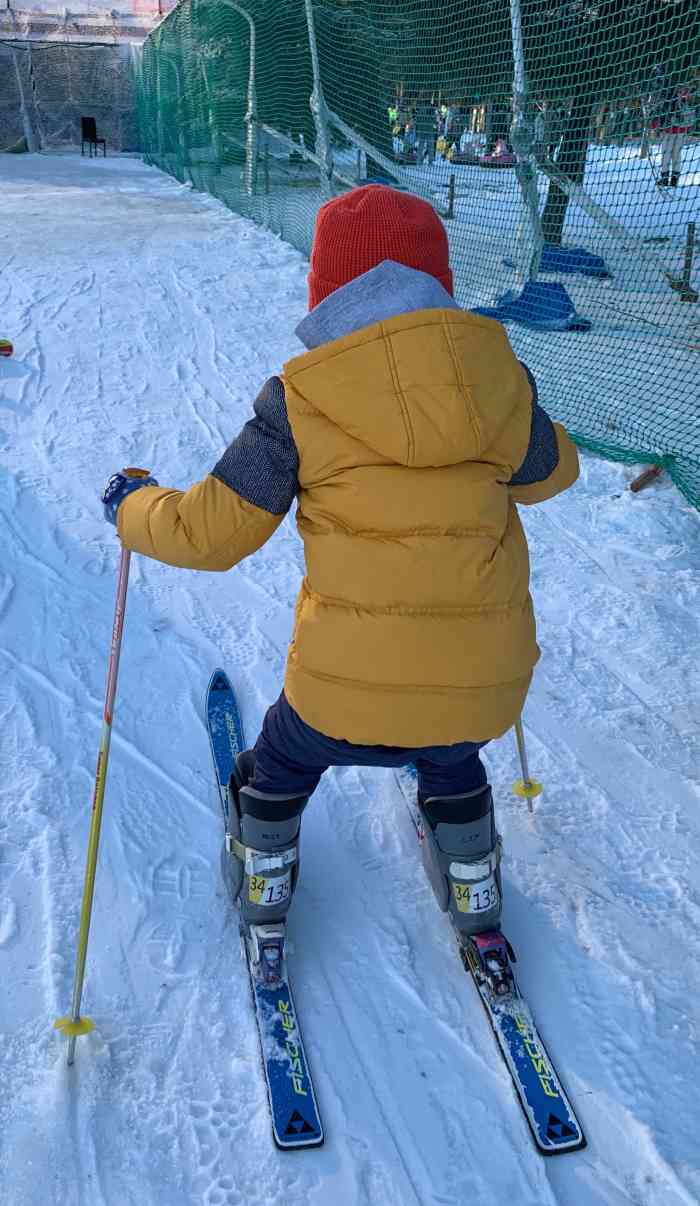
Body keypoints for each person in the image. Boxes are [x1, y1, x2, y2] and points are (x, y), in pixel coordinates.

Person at [102, 185, 579, 945]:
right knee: (451, 753)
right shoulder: (500, 380)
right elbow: (553, 476)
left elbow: (208, 535)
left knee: (286, 754)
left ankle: (265, 869)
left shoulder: (300, 400)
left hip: (338, 701)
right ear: (439, 283)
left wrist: (134, 505)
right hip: (481, 693)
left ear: (325, 289)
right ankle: (472, 880)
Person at [651, 69, 696, 186]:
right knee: (677, 154)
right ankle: (675, 180)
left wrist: (655, 126)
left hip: (669, 130)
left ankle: (665, 178)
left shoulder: (666, 96)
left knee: (666, 154)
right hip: (681, 130)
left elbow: (660, 114)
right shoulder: (683, 96)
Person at [413, 94, 438, 165]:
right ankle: (430, 161)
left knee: (421, 146)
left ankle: (418, 161)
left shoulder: (421, 109)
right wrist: (435, 123)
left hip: (422, 130)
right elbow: (434, 119)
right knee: (430, 146)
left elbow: (417, 119)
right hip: (429, 130)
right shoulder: (431, 109)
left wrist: (417, 128)